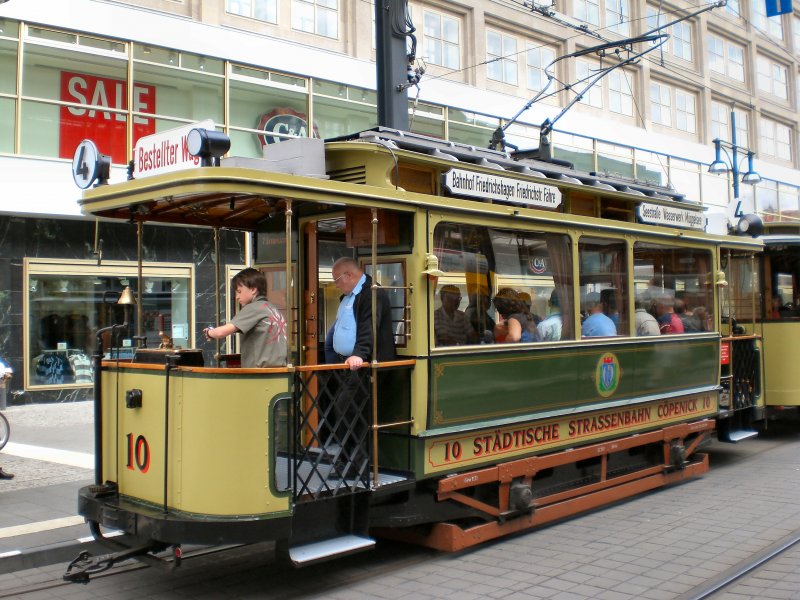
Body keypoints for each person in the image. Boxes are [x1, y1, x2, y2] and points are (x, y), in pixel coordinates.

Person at [327, 257, 396, 479]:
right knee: (345, 411)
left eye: (337, 280)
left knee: (349, 411)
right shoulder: (348, 296)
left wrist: (359, 354)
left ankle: (357, 466)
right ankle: (348, 462)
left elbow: (369, 327)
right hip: (346, 365)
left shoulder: (371, 293)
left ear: (349, 275)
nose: (336, 284)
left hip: (364, 366)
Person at [204, 268, 287, 367]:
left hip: (260, 374)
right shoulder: (273, 308)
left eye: (239, 291)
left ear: (253, 289)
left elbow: (221, 332)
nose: (236, 297)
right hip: (280, 373)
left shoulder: (254, 308)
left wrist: (209, 332)